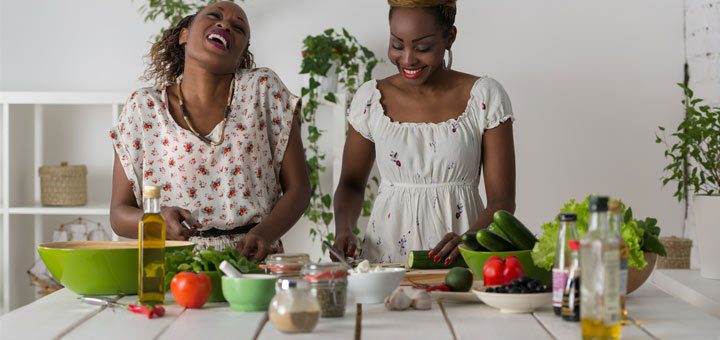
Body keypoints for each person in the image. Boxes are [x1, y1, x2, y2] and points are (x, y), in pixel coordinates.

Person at [109, 1, 311, 260]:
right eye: (215, 16)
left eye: (238, 28)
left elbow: (299, 189)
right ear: (184, 35)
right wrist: (154, 221)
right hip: (173, 267)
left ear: (241, 54)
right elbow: (118, 214)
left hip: (251, 264)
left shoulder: (263, 90)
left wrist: (265, 234)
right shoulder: (144, 107)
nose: (225, 24)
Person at [333, 0, 516, 265]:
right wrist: (344, 230)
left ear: (449, 37)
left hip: (462, 257)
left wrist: (471, 238)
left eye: (422, 47)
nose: (407, 59)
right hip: (386, 259)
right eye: (397, 44)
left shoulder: (484, 96)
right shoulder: (370, 99)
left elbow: (503, 200)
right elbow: (350, 184)